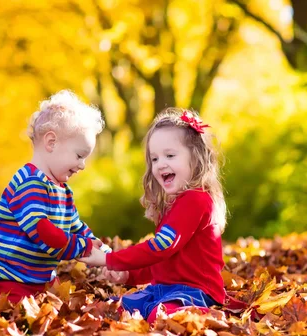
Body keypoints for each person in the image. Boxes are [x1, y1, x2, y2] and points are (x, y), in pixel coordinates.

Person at [79, 108, 227, 323]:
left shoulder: (196, 199)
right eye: (154, 158)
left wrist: (110, 259)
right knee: (110, 309)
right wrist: (130, 275)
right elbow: (164, 262)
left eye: (170, 155)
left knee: (162, 316)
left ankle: (208, 316)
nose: (160, 164)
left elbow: (161, 247)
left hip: (197, 293)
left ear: (196, 157)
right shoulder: (175, 204)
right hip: (164, 289)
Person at [0, 90, 109, 303]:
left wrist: (99, 248)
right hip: (10, 279)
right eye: (79, 155)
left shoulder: (62, 189)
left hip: (39, 277)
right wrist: (82, 247)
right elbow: (43, 232)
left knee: (63, 303)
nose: (82, 165)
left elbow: (74, 225)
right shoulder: (29, 183)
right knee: (17, 311)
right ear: (51, 142)